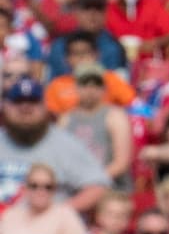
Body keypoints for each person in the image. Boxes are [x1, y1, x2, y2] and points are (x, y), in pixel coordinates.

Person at [0, 76, 109, 212]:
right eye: (18, 102)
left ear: (45, 107)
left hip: (47, 230)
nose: (25, 108)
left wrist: (56, 214)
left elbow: (97, 186)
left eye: (33, 102)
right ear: (4, 106)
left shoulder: (64, 143)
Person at [59, 63, 134, 191]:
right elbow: (60, 158)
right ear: (76, 87)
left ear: (104, 88)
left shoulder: (115, 116)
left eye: (96, 85)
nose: (90, 90)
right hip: (75, 187)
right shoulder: (66, 119)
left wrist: (90, 181)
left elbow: (121, 164)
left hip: (111, 188)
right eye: (85, 85)